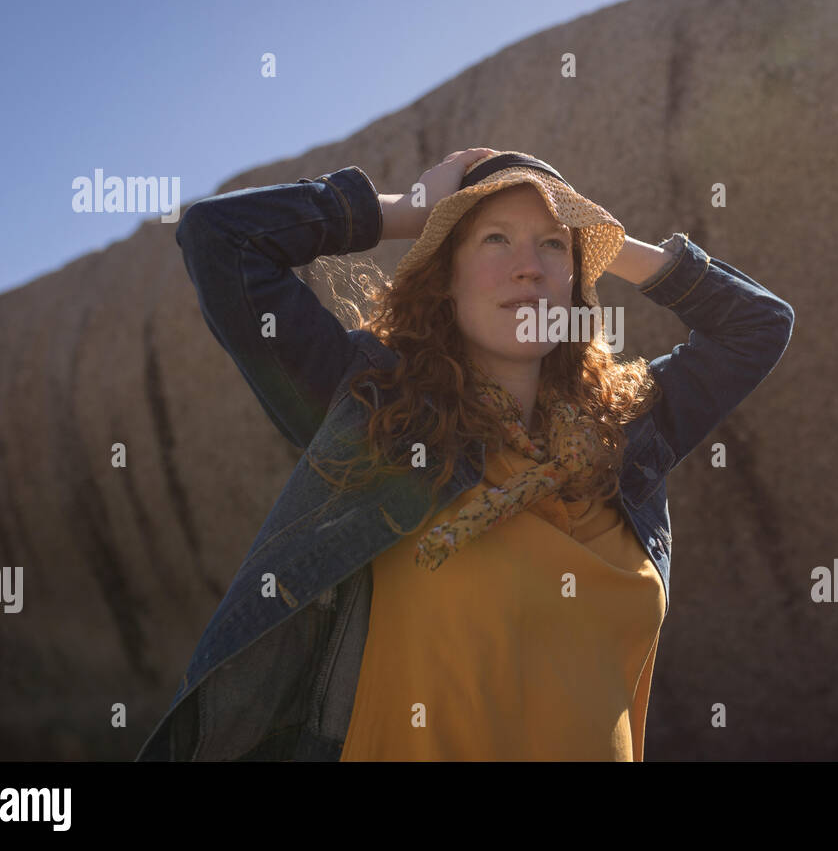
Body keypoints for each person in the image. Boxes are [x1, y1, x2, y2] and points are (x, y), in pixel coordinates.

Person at [135, 148, 794, 761]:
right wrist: (407, 213)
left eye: (552, 245)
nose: (528, 264)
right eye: (494, 239)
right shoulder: (380, 417)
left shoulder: (624, 440)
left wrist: (607, 240)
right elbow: (220, 238)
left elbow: (757, 323)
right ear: (446, 279)